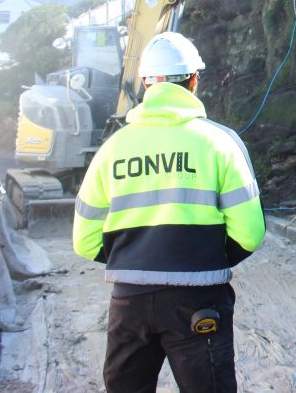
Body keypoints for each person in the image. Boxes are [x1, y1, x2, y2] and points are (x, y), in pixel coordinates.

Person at [73, 31, 265, 393]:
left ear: (145, 82)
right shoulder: (220, 143)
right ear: (194, 80)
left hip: (129, 303)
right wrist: (204, 259)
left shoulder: (111, 150)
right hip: (199, 303)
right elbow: (250, 233)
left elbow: (83, 242)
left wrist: (133, 260)